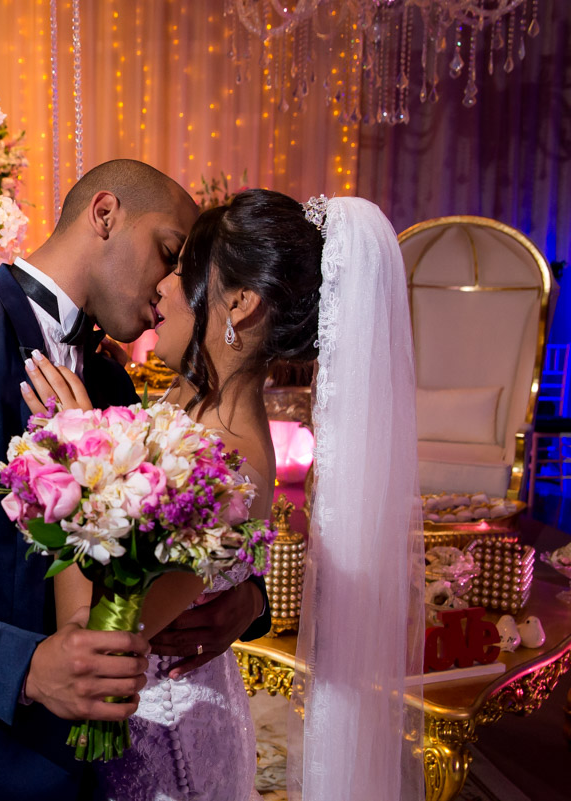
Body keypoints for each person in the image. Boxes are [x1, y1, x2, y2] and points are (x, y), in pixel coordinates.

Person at [0, 159, 272, 800]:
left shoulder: (110, 376)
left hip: (93, 769)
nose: (172, 286)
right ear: (105, 214)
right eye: (170, 252)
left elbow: (147, 536)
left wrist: (240, 598)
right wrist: (27, 668)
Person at [23, 190, 424, 801]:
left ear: (238, 302)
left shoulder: (232, 459)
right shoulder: (188, 401)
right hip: (147, 724)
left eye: (182, 273)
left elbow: (97, 634)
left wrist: (74, 451)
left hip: (168, 751)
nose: (161, 287)